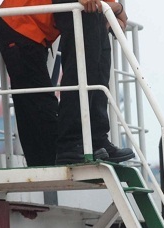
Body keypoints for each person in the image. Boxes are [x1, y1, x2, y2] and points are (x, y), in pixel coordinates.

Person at [51, 0, 133, 164]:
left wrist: (114, 9)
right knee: (80, 74)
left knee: (99, 75)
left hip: (95, 11)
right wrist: (115, 8)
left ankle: (97, 140)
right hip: (79, 8)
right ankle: (70, 143)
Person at [0, 1, 61, 166]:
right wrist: (115, 9)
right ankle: (49, 160)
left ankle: (41, 161)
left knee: (30, 102)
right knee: (38, 103)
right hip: (20, 25)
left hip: (24, 26)